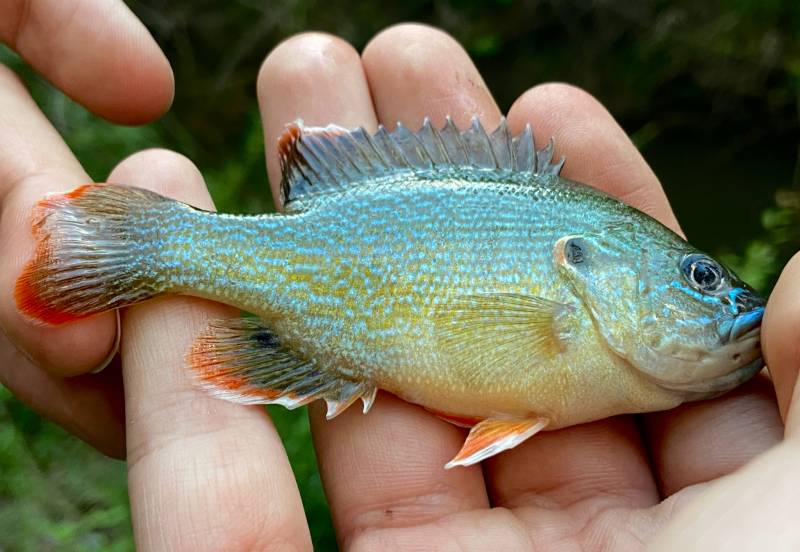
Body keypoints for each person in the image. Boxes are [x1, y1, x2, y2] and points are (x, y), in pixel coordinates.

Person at [1, 2, 799, 549]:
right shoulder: (579, 311)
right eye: (700, 277)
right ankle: (147, 244)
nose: (733, 304)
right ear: (589, 265)